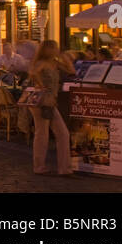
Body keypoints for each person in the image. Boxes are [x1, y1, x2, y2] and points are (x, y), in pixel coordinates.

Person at [27, 40, 75, 176]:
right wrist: (42, 86)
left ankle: (64, 168)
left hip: (51, 101)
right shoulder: (41, 63)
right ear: (47, 49)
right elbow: (33, 73)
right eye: (53, 48)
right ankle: (39, 166)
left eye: (56, 48)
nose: (55, 50)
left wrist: (64, 56)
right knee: (42, 133)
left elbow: (71, 70)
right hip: (42, 101)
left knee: (63, 133)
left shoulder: (55, 63)